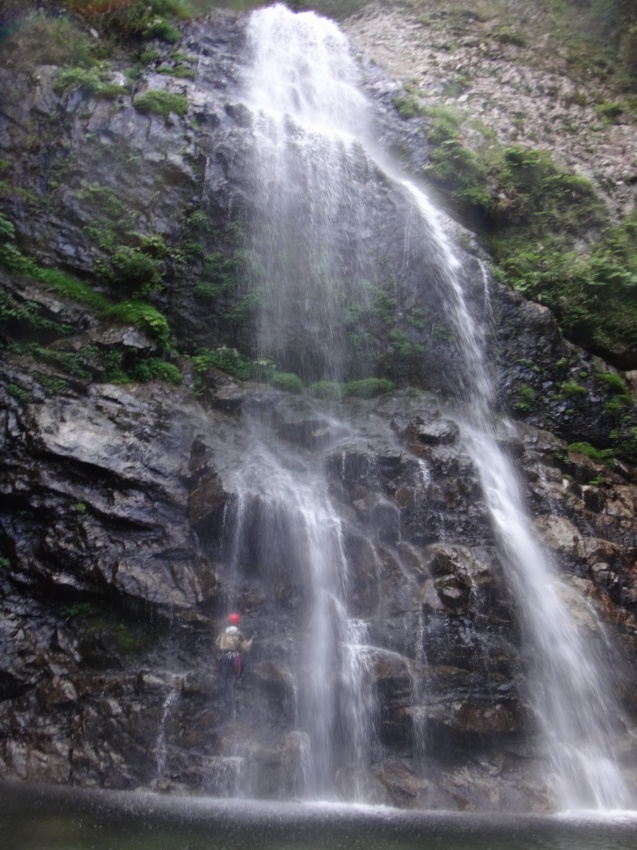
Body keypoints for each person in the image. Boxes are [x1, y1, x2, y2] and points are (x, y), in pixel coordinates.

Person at [215, 613, 253, 704]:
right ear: (236, 623)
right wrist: (251, 640)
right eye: (238, 622)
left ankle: (223, 700)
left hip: (223, 657)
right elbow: (246, 648)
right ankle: (238, 683)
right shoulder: (239, 633)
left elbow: (217, 643)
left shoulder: (223, 631)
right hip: (234, 657)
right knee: (247, 666)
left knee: (224, 678)